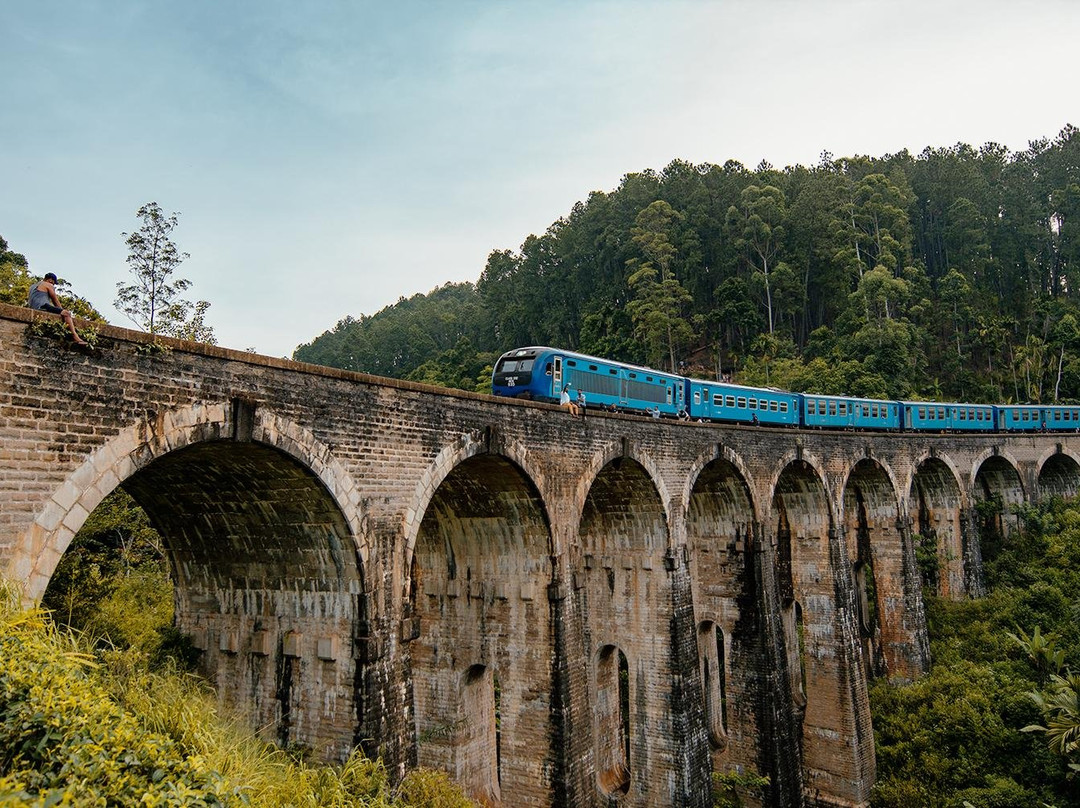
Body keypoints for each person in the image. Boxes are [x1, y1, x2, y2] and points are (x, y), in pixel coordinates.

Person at [27, 273, 87, 345]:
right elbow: (55, 301)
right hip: (43, 306)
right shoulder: (48, 285)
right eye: (54, 283)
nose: (53, 285)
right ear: (50, 280)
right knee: (66, 313)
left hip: (33, 308)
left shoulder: (32, 286)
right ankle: (75, 336)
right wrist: (62, 311)